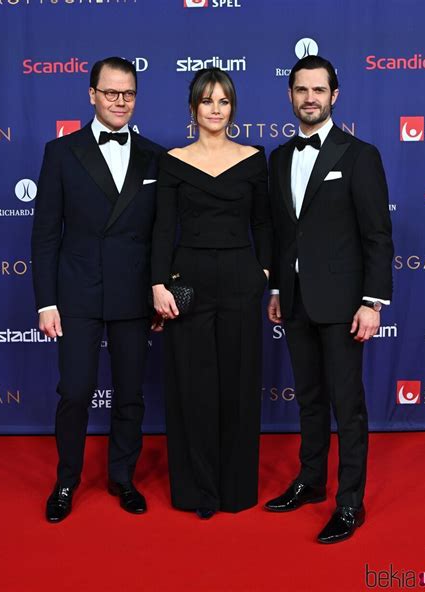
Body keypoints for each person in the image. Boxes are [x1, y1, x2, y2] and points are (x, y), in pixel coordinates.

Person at [264, 56, 393, 543]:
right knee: (310, 400)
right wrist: (277, 288)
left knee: (347, 405)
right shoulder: (278, 158)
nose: (310, 98)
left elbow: (378, 235)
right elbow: (282, 234)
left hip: (344, 304)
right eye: (301, 90)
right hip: (295, 301)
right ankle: (312, 481)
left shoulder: (359, 155)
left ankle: (350, 503)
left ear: (334, 95)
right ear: (291, 95)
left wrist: (372, 302)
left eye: (319, 89)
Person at [31, 56, 163, 523]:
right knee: (75, 390)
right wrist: (46, 301)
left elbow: (161, 234)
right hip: (77, 293)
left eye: (127, 93)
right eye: (111, 93)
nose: (120, 102)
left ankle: (122, 477)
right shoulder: (60, 154)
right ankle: (66, 480)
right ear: (92, 95)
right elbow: (46, 234)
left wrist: (161, 292)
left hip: (132, 292)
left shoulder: (154, 155)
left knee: (130, 393)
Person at [151, 68, 272, 519]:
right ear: (193, 108)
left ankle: (236, 489)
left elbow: (263, 222)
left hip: (242, 277)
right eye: (207, 101)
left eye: (223, 101)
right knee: (191, 385)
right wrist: (159, 283)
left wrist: (262, 271)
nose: (216, 109)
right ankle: (197, 491)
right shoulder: (173, 160)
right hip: (188, 281)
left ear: (232, 108)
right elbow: (163, 226)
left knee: (239, 385)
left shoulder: (255, 159)